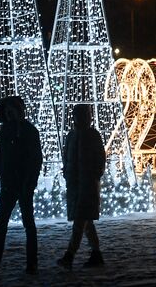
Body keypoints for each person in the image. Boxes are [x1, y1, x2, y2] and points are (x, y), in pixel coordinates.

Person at [0, 96, 43, 276]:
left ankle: (32, 264)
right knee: (1, 224)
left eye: (11, 110)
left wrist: (30, 182)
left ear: (19, 110)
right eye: (6, 112)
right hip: (8, 184)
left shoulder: (30, 131)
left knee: (28, 224)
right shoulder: (5, 131)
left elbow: (36, 159)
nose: (9, 114)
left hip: (23, 184)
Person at [58, 104, 106, 269]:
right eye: (81, 114)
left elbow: (100, 158)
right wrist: (67, 172)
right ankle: (96, 254)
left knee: (80, 220)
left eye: (86, 114)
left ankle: (69, 256)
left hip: (87, 185)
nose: (85, 117)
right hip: (75, 184)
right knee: (86, 221)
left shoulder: (93, 135)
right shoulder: (71, 135)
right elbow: (66, 157)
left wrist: (94, 175)